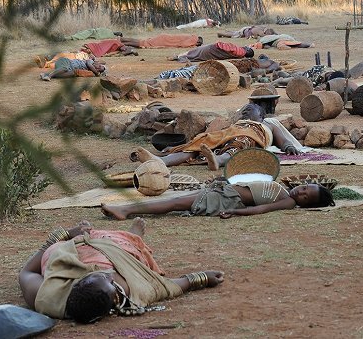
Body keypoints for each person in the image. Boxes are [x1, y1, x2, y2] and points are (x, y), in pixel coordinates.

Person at [18, 218, 224, 323]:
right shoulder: (129, 288)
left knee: (88, 241)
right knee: (128, 249)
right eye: (109, 280)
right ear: (116, 297)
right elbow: (164, 286)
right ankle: (133, 237)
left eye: (96, 275)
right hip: (116, 250)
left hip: (70, 250)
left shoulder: (45, 297)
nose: (105, 274)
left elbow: (26, 272)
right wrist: (202, 277)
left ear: (76, 286)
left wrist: (61, 236)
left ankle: (89, 235)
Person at [130, 103, 302, 171]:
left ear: (261, 115)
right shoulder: (236, 124)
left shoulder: (267, 124)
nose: (246, 111)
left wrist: (289, 147)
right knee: (201, 142)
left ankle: (218, 161)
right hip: (229, 134)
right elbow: (220, 136)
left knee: (240, 142)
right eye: (244, 110)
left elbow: (283, 139)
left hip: (251, 135)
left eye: (251, 109)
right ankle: (162, 161)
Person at [101, 180, 335, 220]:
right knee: (178, 200)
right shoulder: (285, 188)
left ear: (305, 205)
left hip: (226, 200)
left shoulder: (288, 201)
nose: (300, 193)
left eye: (305, 197)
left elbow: (260, 209)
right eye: (304, 188)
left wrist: (235, 213)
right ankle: (126, 208)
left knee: (175, 204)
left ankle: (126, 210)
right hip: (224, 191)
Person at [168, 42, 254, 62]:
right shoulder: (240, 55)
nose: (246, 46)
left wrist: (216, 44)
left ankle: (179, 56)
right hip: (213, 55)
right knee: (196, 56)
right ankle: (180, 57)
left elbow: (222, 46)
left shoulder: (240, 51)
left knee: (196, 52)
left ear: (247, 50)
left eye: (247, 48)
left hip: (212, 49)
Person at [40, 58, 106, 81]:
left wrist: (97, 73)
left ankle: (45, 75)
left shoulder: (89, 71)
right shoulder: (90, 61)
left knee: (73, 73)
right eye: (99, 66)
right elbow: (89, 65)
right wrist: (97, 73)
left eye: (99, 69)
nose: (98, 68)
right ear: (97, 62)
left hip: (68, 69)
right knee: (65, 68)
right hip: (65, 61)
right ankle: (49, 76)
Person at [119, 34, 203, 49]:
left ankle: (121, 40)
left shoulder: (191, 36)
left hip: (164, 37)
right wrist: (193, 45)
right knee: (143, 43)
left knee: (143, 41)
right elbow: (183, 44)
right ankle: (121, 43)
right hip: (164, 40)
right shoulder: (193, 39)